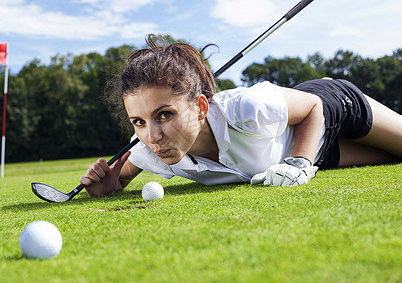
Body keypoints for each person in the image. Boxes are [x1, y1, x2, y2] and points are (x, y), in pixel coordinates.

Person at [80, 35, 402, 197]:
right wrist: (112, 183)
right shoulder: (152, 149)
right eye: (139, 121)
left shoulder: (248, 106)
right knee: (393, 159)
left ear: (201, 107)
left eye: (164, 114)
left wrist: (300, 165)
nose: (152, 136)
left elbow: (312, 108)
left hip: (329, 110)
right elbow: (120, 175)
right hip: (316, 151)